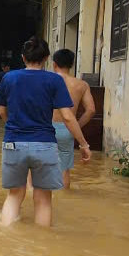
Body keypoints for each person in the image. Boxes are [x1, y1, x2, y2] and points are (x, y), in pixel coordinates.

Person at [0, 37, 90, 227]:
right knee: (43, 199)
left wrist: (14, 126)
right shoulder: (54, 80)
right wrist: (83, 144)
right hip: (44, 144)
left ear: (23, 57)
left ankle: (4, 237)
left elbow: (1, 111)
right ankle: (43, 243)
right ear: (47, 58)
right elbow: (68, 116)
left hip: (13, 143)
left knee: (14, 195)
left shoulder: (9, 78)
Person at [51, 48, 97, 189]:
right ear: (72, 65)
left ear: (54, 64)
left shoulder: (47, 81)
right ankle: (64, 197)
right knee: (64, 169)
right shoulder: (81, 85)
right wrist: (75, 126)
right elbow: (91, 110)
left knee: (38, 167)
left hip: (44, 127)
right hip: (67, 129)